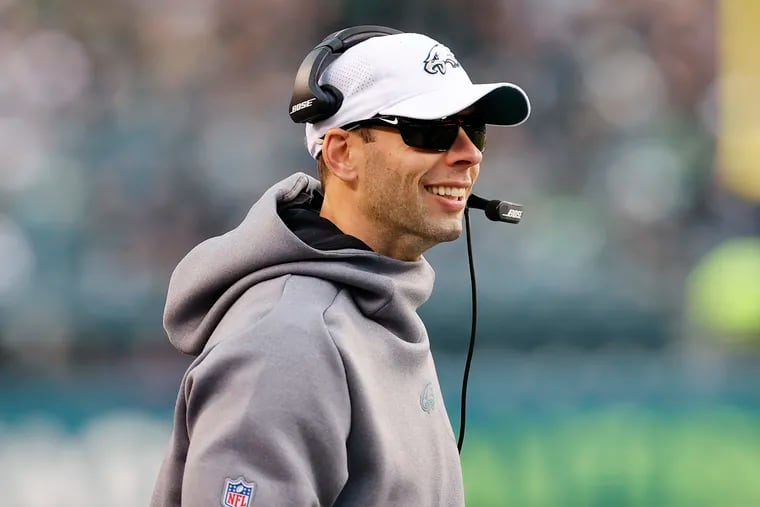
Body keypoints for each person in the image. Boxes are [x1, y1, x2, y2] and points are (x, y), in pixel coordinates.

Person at [151, 27, 530, 507]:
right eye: (430, 132)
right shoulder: (287, 340)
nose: (469, 154)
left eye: (472, 130)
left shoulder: (369, 310)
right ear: (342, 154)